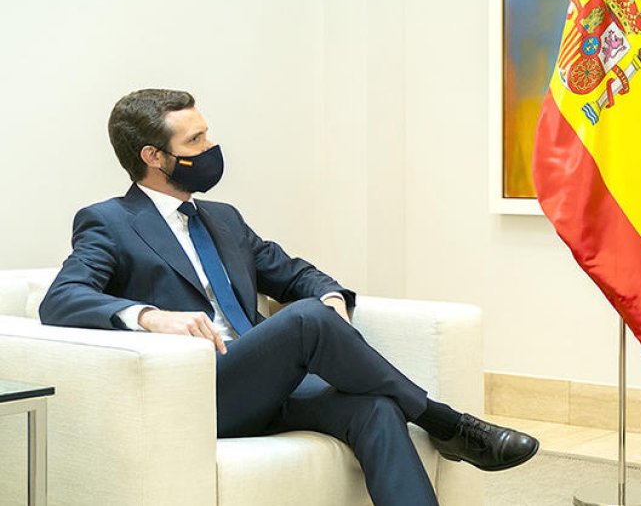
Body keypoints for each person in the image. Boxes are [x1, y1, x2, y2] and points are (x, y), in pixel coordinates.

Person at [40, 88, 539, 506]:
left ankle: (437, 428)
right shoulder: (109, 221)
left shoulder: (223, 219)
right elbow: (62, 299)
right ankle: (445, 423)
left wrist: (329, 297)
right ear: (153, 156)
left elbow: (296, 274)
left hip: (267, 384)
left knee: (374, 407)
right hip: (200, 390)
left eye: (208, 133)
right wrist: (149, 317)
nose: (211, 147)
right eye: (196, 139)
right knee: (304, 322)